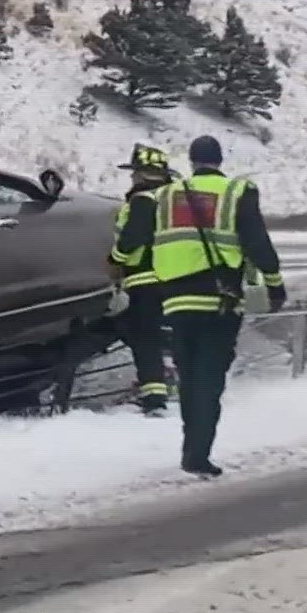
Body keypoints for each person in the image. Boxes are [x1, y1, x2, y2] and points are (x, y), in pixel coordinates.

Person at [113, 135, 286, 477]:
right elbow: (257, 241)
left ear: (191, 161)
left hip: (176, 301)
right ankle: (199, 452)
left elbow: (133, 240)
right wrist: (275, 285)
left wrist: (116, 261)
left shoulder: (162, 198)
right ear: (220, 160)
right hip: (220, 299)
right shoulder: (238, 192)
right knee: (209, 378)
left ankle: (190, 448)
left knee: (189, 375)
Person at [107, 144, 177, 416]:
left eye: (135, 172)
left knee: (143, 335)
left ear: (143, 173)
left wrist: (115, 259)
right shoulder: (175, 200)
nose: (133, 177)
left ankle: (153, 396)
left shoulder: (143, 199)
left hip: (145, 278)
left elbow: (132, 237)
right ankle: (171, 379)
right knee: (165, 333)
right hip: (175, 275)